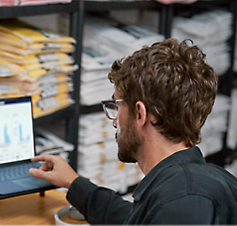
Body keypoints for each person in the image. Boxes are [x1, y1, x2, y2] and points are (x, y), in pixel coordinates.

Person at [29, 38, 237, 225]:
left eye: (117, 107)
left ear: (140, 114)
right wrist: (73, 183)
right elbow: (129, 218)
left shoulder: (182, 201)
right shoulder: (189, 187)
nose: (114, 122)